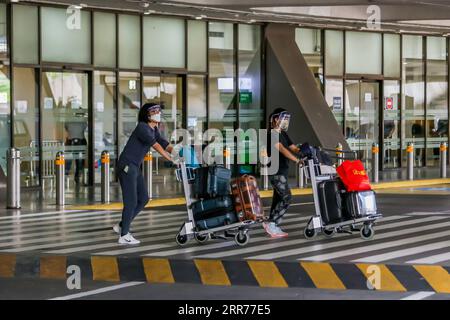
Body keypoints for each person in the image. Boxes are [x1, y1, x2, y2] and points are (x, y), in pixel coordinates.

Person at [114, 103, 176, 245]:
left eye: (159, 111)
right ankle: (124, 235)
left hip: (135, 166)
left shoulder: (153, 129)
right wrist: (171, 159)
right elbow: (156, 146)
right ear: (147, 115)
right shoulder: (142, 127)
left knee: (143, 199)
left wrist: (178, 152)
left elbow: (163, 142)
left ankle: (122, 225)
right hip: (127, 166)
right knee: (131, 201)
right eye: (154, 111)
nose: (158, 113)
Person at [263, 108, 302, 238]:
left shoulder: (283, 134)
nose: (285, 121)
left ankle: (273, 225)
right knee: (286, 197)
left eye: (287, 119)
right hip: (276, 171)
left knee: (278, 198)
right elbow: (282, 149)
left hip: (282, 171)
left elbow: (293, 148)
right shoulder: (271, 134)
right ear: (275, 119)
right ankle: (272, 223)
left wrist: (306, 150)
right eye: (283, 118)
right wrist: (297, 160)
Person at [64, 117, 88, 184]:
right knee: (79, 161)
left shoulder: (68, 120)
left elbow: (66, 128)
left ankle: (65, 175)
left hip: (70, 141)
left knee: (68, 159)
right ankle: (78, 175)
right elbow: (85, 128)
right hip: (81, 141)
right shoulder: (83, 121)